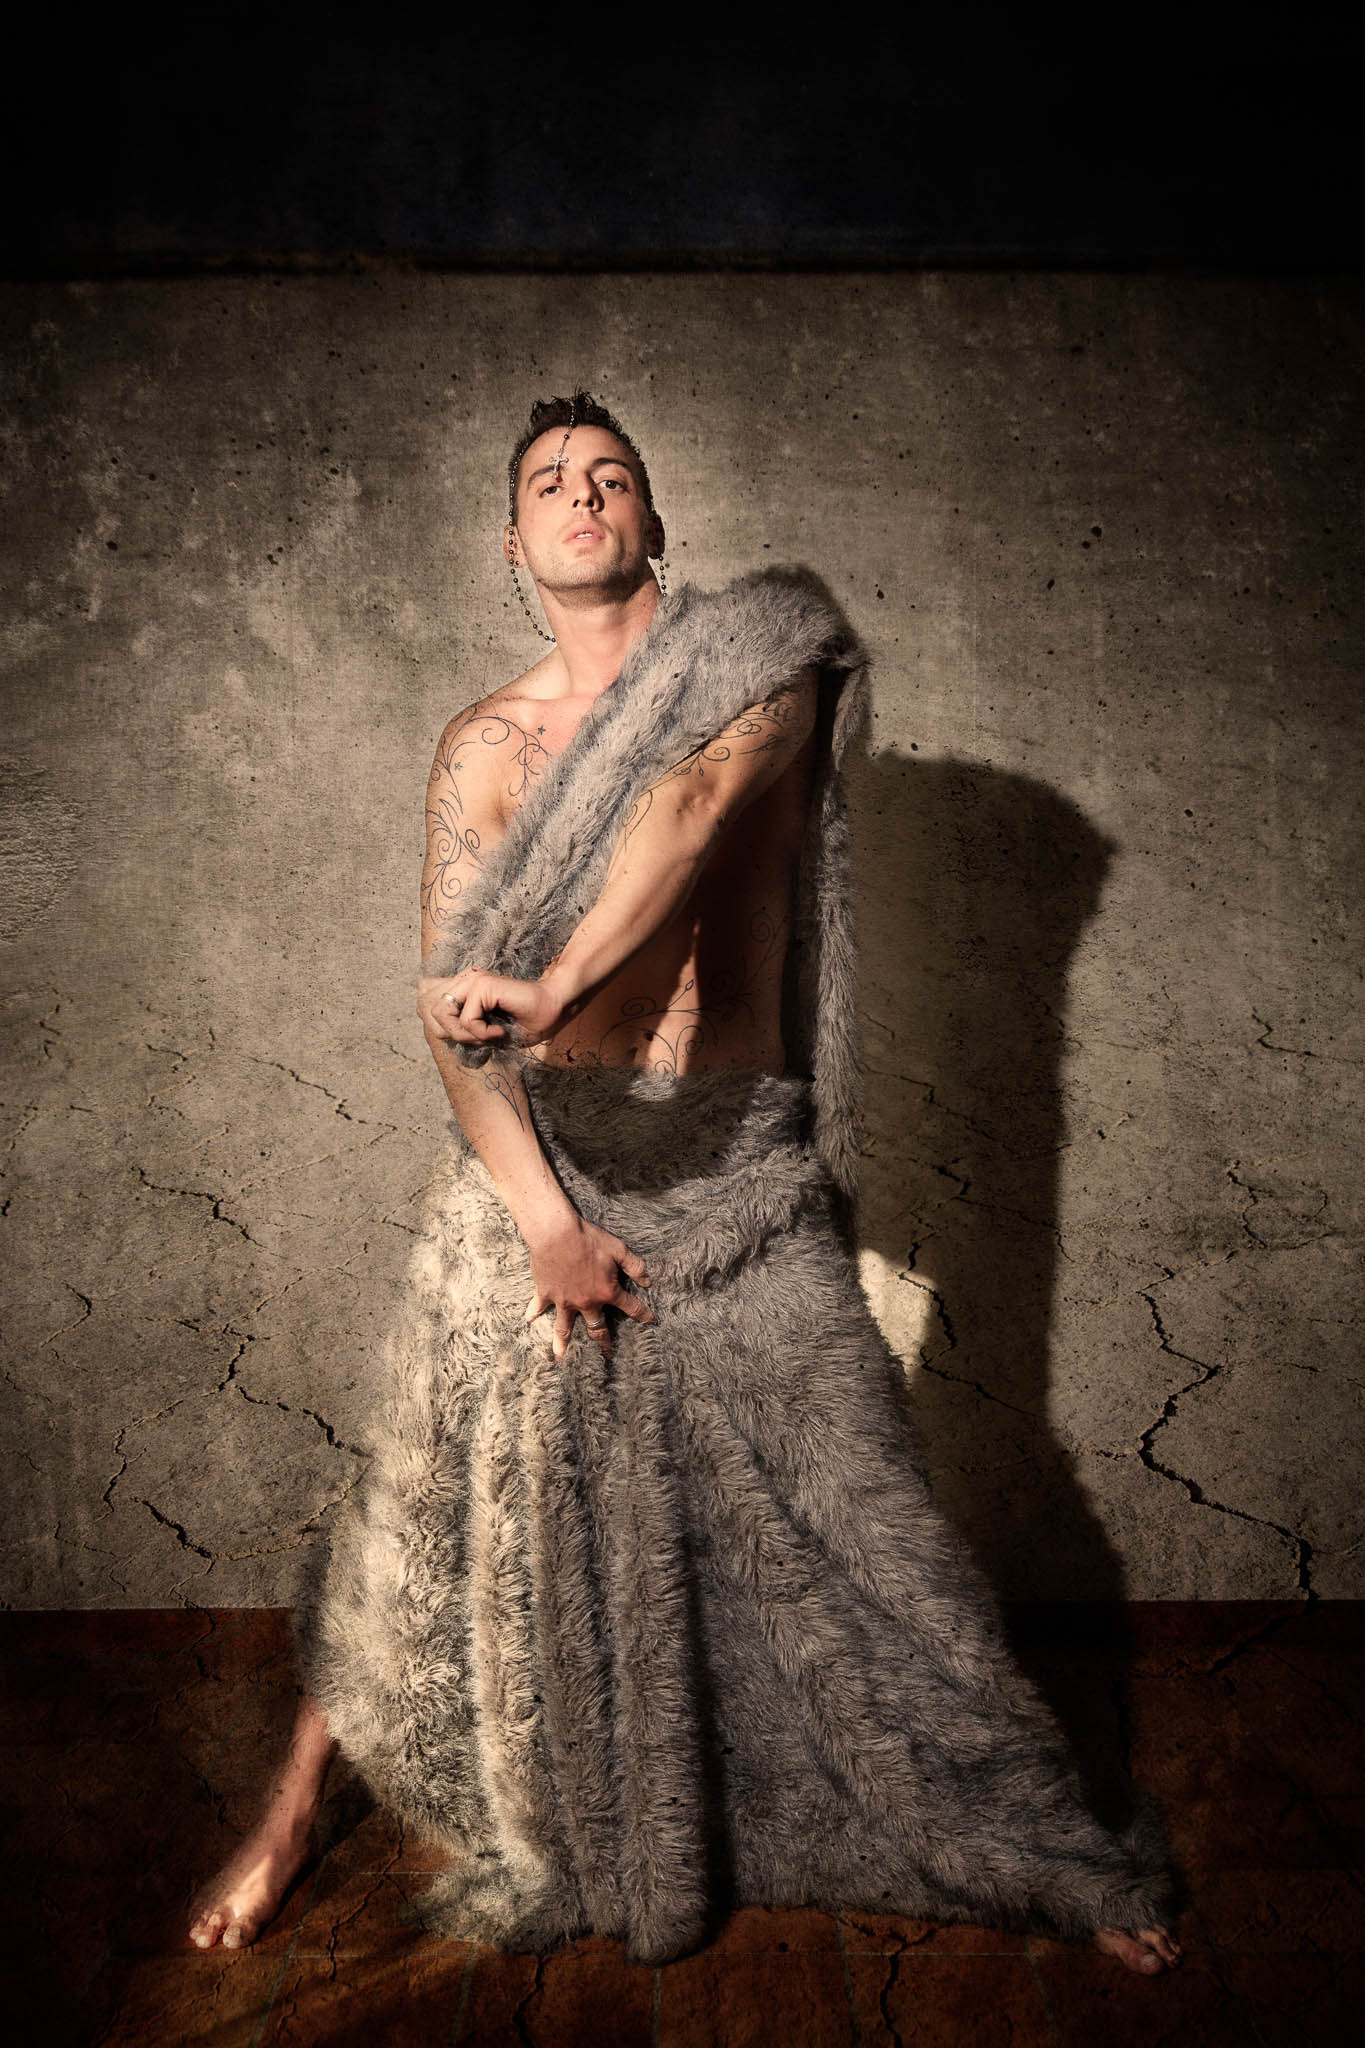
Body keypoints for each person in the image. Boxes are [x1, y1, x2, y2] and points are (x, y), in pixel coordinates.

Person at [190, 392, 1182, 1976]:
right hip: (545, 1163)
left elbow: (685, 807)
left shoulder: (757, 661)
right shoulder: (482, 744)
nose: (582, 494)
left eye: (612, 475)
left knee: (864, 1525)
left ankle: (1035, 1842)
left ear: (654, 522)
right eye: (548, 482)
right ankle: (294, 1807)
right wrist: (543, 1222)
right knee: (417, 1501)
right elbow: (446, 1007)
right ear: (512, 544)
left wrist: (555, 977)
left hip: (730, 1160)